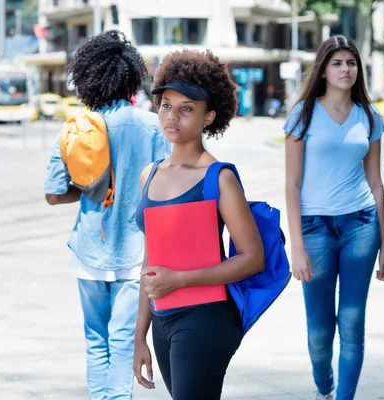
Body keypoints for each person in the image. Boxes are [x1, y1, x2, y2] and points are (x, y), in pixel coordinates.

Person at [43, 30, 170, 400]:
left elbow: (53, 195)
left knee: (95, 339)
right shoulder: (154, 126)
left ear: (87, 78)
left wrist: (90, 189)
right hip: (138, 252)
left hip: (88, 250)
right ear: (132, 77)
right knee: (124, 338)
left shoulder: (75, 129)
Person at [132, 49, 265, 400]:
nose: (172, 116)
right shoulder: (149, 174)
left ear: (209, 117)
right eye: (165, 104)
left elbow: (253, 258)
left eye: (186, 108)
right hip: (162, 319)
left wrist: (180, 280)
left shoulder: (218, 178)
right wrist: (139, 336)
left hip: (205, 318)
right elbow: (149, 262)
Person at [284, 35, 384, 400]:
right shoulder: (303, 114)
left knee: (352, 321)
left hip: (361, 226)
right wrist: (296, 246)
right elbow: (292, 185)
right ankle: (324, 388)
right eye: (337, 63)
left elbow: (377, 184)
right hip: (314, 230)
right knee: (319, 332)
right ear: (324, 70)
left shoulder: (370, 116)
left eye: (351, 62)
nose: (346, 69)